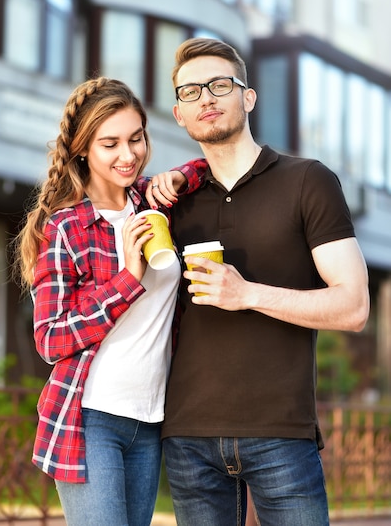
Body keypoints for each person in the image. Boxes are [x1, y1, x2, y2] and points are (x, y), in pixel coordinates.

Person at [157, 37, 370, 526]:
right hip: (188, 435)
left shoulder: (307, 181)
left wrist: (246, 293)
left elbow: (354, 306)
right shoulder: (171, 202)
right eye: (190, 92)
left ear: (247, 97)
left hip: (281, 432)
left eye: (218, 85)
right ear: (179, 115)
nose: (205, 98)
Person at [16, 77, 204, 526]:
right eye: (110, 144)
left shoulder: (152, 202)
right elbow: (50, 339)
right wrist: (127, 278)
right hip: (91, 418)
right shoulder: (67, 229)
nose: (129, 155)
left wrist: (178, 175)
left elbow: (207, 169)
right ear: (84, 150)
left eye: (136, 138)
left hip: (152, 417)